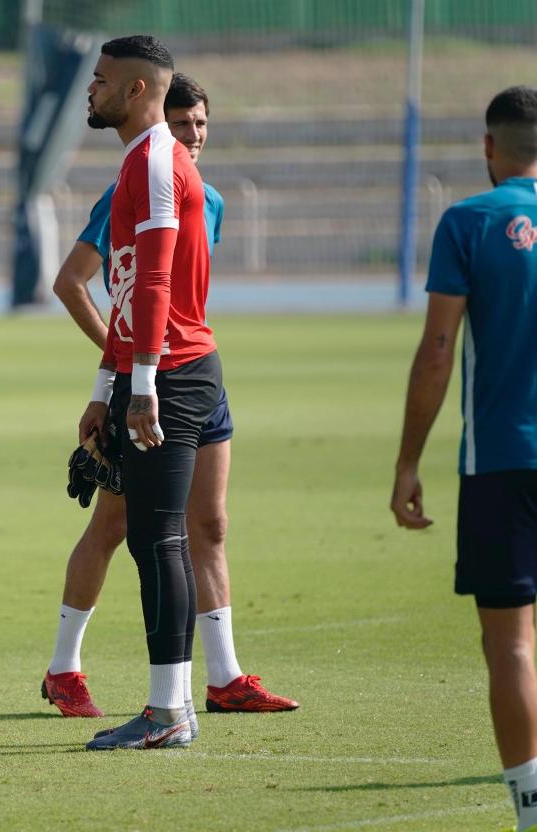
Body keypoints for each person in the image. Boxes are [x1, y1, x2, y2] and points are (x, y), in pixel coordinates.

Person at [42, 74, 298, 721]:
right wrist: (122, 369)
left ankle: (226, 678)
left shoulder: (209, 199)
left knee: (208, 526)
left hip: (198, 376)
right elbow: (77, 283)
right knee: (116, 523)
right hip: (150, 383)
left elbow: (180, 300)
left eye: (201, 126)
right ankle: (64, 668)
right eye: (182, 125)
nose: (192, 136)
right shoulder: (133, 184)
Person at [65, 34, 221, 751]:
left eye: (100, 80)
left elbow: (155, 280)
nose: (89, 90)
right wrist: (108, 382)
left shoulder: (158, 159)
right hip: (151, 369)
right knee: (154, 539)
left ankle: (168, 713)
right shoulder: (138, 161)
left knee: (159, 538)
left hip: (174, 373)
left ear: (135, 89)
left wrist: (144, 384)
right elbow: (124, 294)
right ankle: (174, 706)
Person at [390, 85, 537, 831]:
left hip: (502, 462)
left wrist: (407, 462)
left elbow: (438, 351)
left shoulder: (469, 222)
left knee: (510, 642)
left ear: (489, 147)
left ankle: (528, 813)